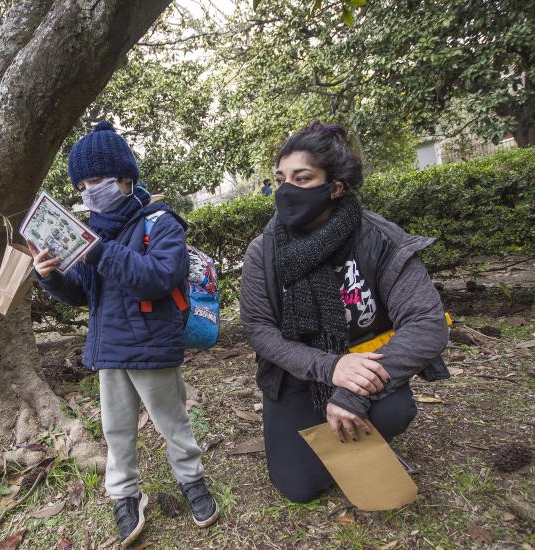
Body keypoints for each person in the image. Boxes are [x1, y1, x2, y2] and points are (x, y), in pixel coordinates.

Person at [29, 120, 219, 547]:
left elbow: (159, 277)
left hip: (153, 347)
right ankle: (124, 494)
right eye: (81, 184)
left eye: (95, 180)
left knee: (173, 422)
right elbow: (81, 293)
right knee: (116, 431)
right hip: (109, 349)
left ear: (124, 178)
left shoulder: (160, 222)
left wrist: (97, 249)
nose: (88, 191)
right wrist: (51, 275)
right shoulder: (90, 233)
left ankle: (192, 481)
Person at [239, 121, 449, 503]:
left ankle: (366, 429)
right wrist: (329, 367)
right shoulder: (264, 250)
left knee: (392, 412)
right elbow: (259, 328)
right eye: (280, 179)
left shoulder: (377, 238)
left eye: (302, 179)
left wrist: (352, 394)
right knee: (299, 487)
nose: (286, 190)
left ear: (334, 188)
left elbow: (427, 324)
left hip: (365, 367)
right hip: (297, 373)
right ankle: (335, 436)